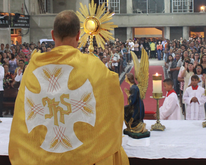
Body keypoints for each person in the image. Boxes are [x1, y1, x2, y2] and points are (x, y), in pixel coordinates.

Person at [9, 10, 129, 165]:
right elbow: (112, 100)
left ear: (53, 35)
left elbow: (23, 112)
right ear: (79, 36)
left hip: (42, 157)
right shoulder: (93, 66)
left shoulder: (33, 67)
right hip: (83, 156)